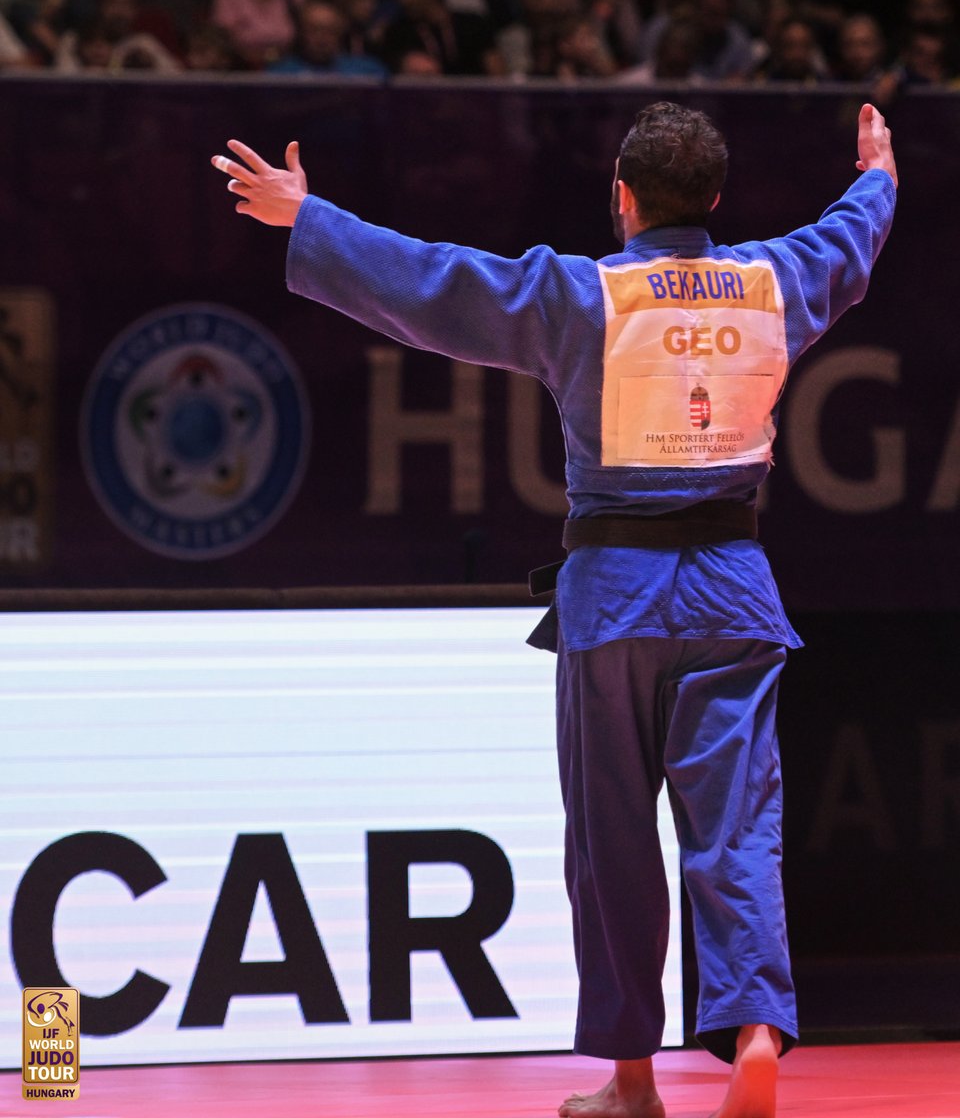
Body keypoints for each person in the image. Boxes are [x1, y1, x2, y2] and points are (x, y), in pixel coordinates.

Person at [211, 101, 897, 1118]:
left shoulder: (582, 295)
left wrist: (311, 219)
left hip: (615, 601)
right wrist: (878, 178)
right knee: (738, 831)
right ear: (714, 198)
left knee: (613, 844)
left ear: (623, 198)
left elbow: (437, 281)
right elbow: (849, 238)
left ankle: (633, 1082)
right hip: (733, 594)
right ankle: (755, 1031)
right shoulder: (774, 281)